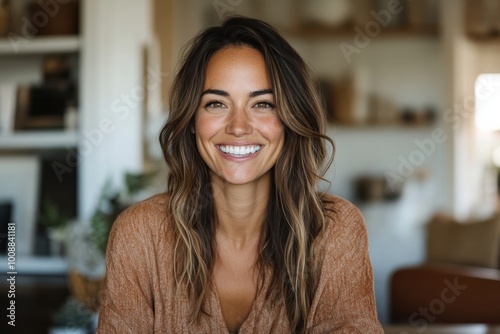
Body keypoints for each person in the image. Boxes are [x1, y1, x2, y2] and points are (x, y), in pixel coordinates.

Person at [97, 16, 383, 333]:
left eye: (262, 104)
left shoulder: (335, 231)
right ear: (192, 120)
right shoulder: (139, 236)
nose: (238, 127)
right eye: (216, 103)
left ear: (289, 119)